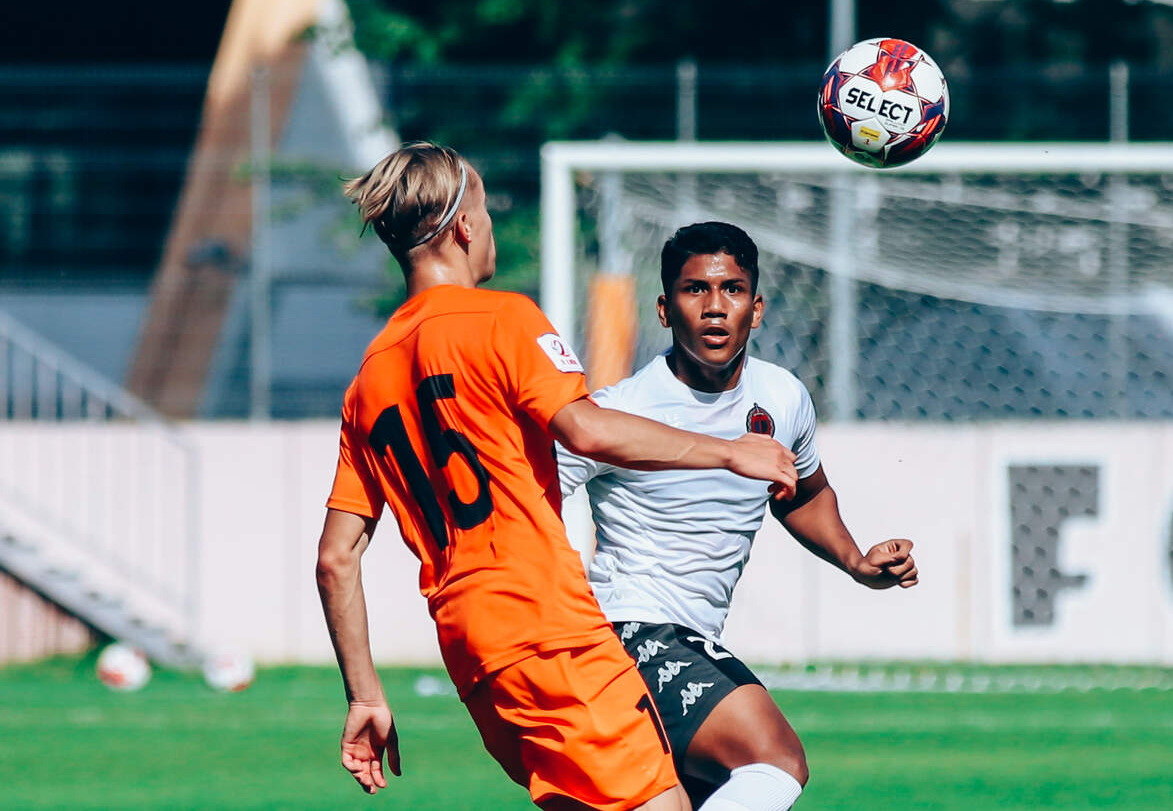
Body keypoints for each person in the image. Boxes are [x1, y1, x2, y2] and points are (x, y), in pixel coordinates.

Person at [315, 144, 799, 811]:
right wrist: (727, 451)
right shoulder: (502, 319)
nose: (490, 226)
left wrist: (365, 694)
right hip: (549, 632)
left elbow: (336, 558)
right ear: (465, 226)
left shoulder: (368, 379)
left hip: (474, 657)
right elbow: (587, 430)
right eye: (486, 210)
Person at [558, 222, 919, 811]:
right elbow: (521, 500)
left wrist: (856, 561)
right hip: (628, 634)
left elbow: (801, 493)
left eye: (732, 289)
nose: (715, 306)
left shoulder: (782, 397)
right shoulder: (617, 412)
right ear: (664, 310)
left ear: (757, 308)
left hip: (693, 639)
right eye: (694, 290)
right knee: (775, 760)